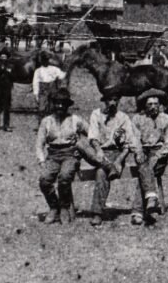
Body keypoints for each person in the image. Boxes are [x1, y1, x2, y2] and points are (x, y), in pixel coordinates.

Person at [86, 95, 159, 227]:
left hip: (118, 153)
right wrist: (99, 150)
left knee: (105, 170)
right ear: (104, 101)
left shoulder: (123, 118)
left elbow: (128, 142)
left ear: (118, 101)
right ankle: (97, 213)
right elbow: (93, 136)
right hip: (102, 152)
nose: (112, 103)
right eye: (109, 100)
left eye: (115, 100)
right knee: (101, 173)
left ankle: (111, 167)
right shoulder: (96, 114)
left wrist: (119, 161)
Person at [35, 87, 89, 224]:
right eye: (57, 103)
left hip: (70, 154)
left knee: (64, 177)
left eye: (63, 104)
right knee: (44, 180)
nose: (60, 106)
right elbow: (39, 143)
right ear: (53, 104)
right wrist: (41, 161)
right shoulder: (46, 121)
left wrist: (82, 148)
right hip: (53, 155)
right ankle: (54, 207)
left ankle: (64, 207)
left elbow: (92, 133)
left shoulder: (75, 119)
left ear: (67, 105)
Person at [130, 89, 168, 225]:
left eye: (156, 104)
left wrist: (159, 155)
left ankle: (138, 211)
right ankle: (151, 199)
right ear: (145, 106)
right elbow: (135, 139)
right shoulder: (137, 119)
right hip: (144, 151)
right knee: (145, 167)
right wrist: (138, 152)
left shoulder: (167, 119)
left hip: (160, 154)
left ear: (160, 104)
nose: (153, 107)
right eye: (150, 104)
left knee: (144, 172)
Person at [32, 51, 66, 121]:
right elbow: (35, 82)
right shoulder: (38, 71)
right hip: (43, 90)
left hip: (52, 89)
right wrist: (36, 94)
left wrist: (66, 69)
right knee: (42, 108)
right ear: (41, 61)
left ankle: (52, 125)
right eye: (44, 60)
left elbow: (62, 75)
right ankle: (41, 125)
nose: (46, 61)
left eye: (47, 59)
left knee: (52, 108)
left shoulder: (53, 69)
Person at [0, 45, 15, 132]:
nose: (3, 58)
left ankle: (6, 125)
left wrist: (8, 71)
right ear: (0, 57)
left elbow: (13, 77)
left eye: (5, 56)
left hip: (7, 88)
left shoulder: (11, 66)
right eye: (2, 56)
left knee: (7, 107)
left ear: (7, 57)